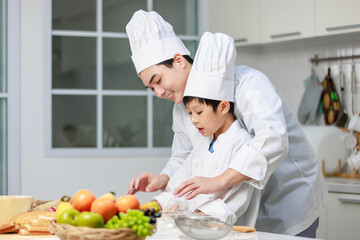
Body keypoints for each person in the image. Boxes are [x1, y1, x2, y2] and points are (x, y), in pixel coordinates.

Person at [125, 10, 327, 237]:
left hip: (288, 200)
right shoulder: (181, 108)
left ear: (178, 60)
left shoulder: (247, 84)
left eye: (158, 81)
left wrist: (219, 181)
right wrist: (163, 179)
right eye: (151, 89)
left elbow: (273, 139)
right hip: (233, 216)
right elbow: (184, 158)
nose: (159, 93)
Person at [153, 32, 260, 227]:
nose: (193, 121)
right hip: (195, 230)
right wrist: (155, 205)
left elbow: (231, 206)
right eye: (189, 114)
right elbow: (179, 188)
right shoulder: (204, 144)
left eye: (199, 112)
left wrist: (191, 218)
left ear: (224, 107)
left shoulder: (243, 145)